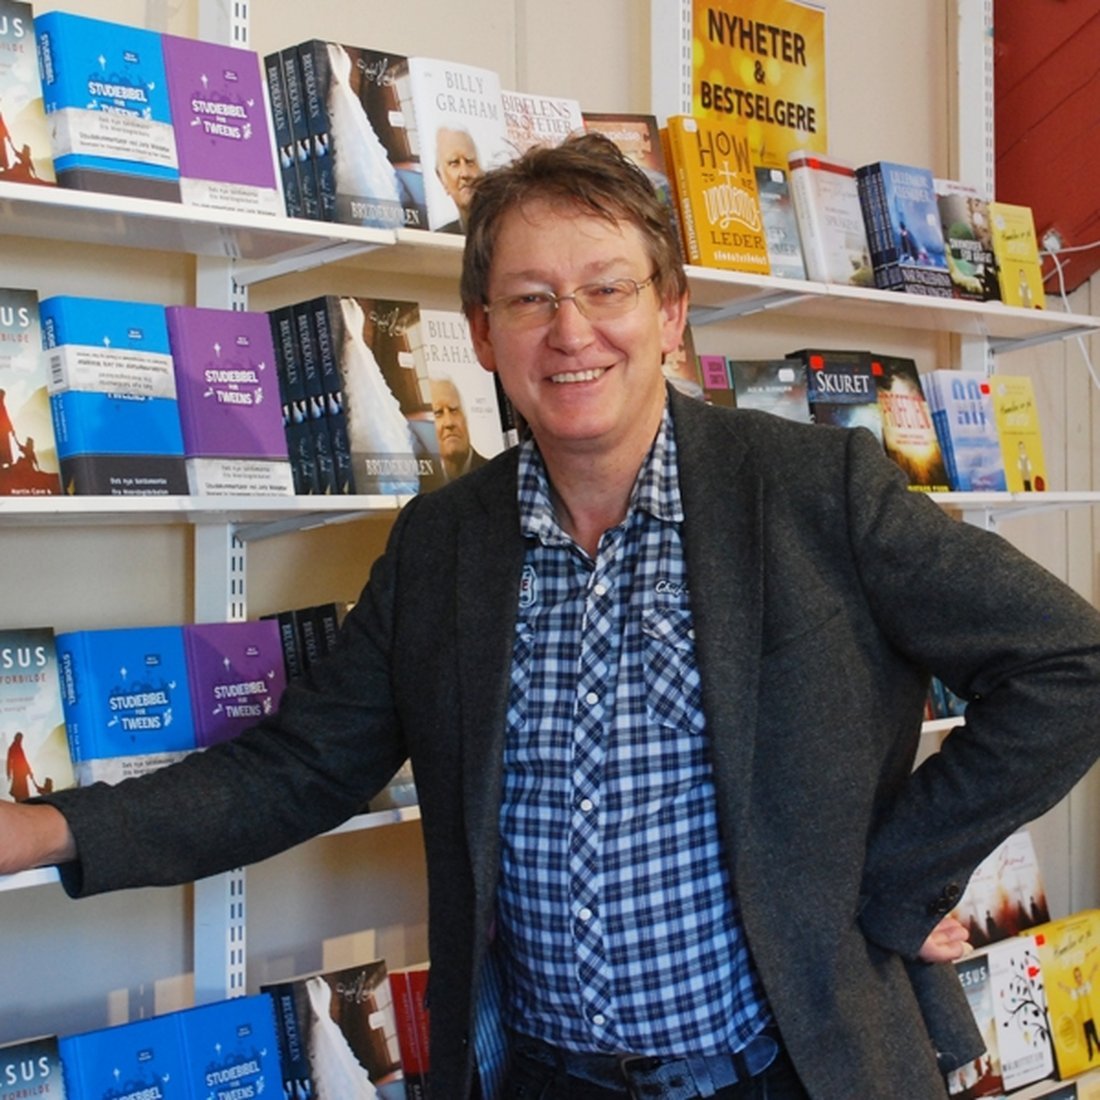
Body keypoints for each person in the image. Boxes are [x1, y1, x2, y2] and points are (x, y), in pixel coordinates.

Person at [3, 133, 1100, 1099]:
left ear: (670, 313)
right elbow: (299, 768)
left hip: (791, 1070)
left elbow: (1069, 664)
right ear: (483, 334)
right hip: (541, 1076)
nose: (570, 331)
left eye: (606, 289)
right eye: (530, 299)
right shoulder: (441, 548)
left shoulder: (816, 491)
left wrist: (897, 876)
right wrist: (53, 829)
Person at [431, 374, 489, 481]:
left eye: (454, 410)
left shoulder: (495, 474)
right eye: (438, 413)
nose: (449, 422)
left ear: (465, 418)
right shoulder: (423, 483)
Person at [434, 126, 482, 233]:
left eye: (470, 161)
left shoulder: (503, 228)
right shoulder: (441, 237)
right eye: (454, 163)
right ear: (441, 178)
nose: (465, 173)